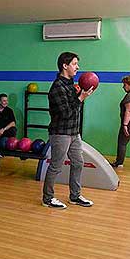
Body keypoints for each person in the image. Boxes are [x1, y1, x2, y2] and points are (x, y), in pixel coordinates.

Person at [42, 52, 95, 209]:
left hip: (73, 132)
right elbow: (66, 113)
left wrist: (80, 95)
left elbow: (76, 108)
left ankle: (75, 196)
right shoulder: (57, 87)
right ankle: (48, 198)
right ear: (65, 66)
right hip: (60, 133)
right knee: (56, 166)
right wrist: (80, 98)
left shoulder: (71, 84)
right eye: (74, 64)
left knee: (78, 162)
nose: (77, 67)